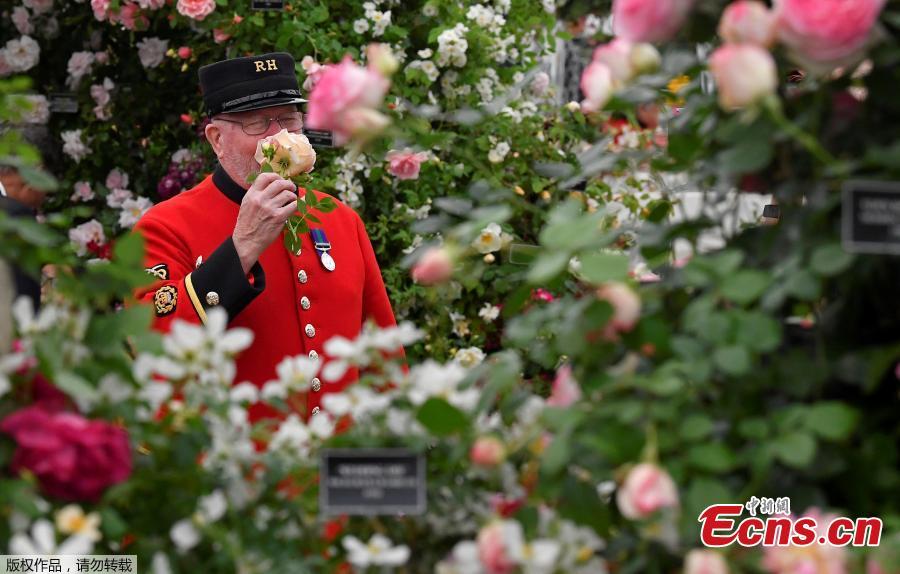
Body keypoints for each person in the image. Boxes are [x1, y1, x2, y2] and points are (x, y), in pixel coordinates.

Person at [134, 52, 401, 422]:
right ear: (217, 139)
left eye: (289, 119)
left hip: (338, 464)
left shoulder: (341, 219)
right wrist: (241, 248)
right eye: (258, 124)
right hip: (240, 467)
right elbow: (149, 341)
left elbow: (382, 353)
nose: (280, 136)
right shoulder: (165, 226)